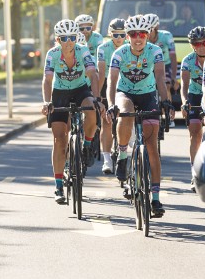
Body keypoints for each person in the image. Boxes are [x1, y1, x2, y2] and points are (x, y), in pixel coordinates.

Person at [106, 14, 172, 217]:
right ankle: (123, 154)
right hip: (125, 93)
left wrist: (166, 101)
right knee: (125, 113)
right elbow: (112, 80)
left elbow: (160, 77)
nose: (138, 38)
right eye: (133, 34)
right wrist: (110, 104)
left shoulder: (156, 51)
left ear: (148, 34)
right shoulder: (119, 53)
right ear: (127, 36)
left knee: (152, 147)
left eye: (142, 34)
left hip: (148, 94)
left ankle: (155, 198)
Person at [41, 19, 104, 204]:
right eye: (64, 38)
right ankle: (59, 186)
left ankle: (87, 145)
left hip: (80, 89)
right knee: (59, 139)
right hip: (59, 92)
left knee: (91, 109)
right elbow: (47, 79)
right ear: (58, 39)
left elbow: (93, 74)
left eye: (72, 37)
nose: (69, 41)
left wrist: (96, 98)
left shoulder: (83, 50)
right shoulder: (52, 54)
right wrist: (47, 101)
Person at [180, 26, 205, 191]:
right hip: (195, 96)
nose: (201, 46)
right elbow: (184, 85)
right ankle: (195, 173)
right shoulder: (187, 60)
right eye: (197, 43)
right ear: (192, 45)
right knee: (195, 133)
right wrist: (185, 101)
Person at [97, 18, 128, 174]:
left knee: (128, 117)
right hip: (108, 84)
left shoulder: (131, 47)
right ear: (110, 35)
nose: (119, 38)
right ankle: (107, 158)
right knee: (107, 122)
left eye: (122, 35)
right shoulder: (103, 48)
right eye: (115, 35)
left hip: (127, 85)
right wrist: (98, 95)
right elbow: (102, 73)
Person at [145, 13, 177, 127]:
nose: (149, 32)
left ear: (157, 28)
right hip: (149, 65)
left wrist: (174, 77)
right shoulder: (144, 37)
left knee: (166, 85)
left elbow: (173, 56)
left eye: (151, 29)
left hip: (165, 64)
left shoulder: (166, 36)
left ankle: (169, 115)